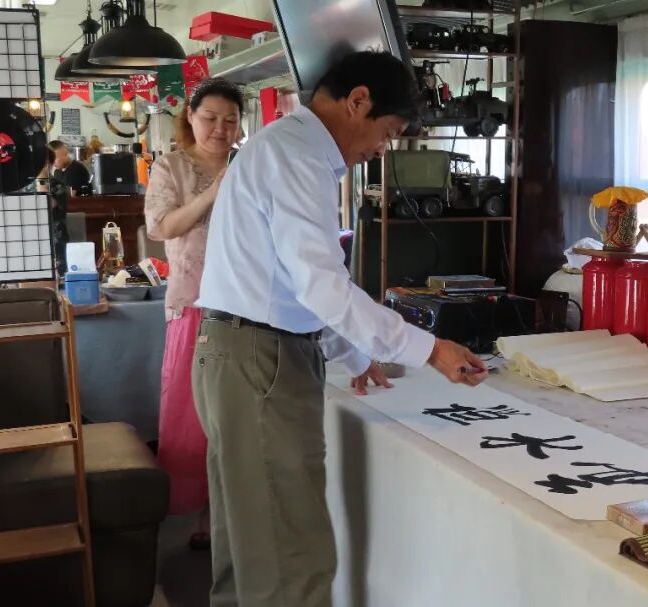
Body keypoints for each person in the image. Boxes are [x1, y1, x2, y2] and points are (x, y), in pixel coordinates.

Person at [193, 51, 488, 606]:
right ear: (357, 102)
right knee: (290, 560)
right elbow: (321, 287)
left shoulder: (284, 149)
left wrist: (355, 356)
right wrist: (429, 349)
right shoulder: (297, 156)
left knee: (251, 551)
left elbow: (289, 286)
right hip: (259, 362)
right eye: (388, 132)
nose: (381, 150)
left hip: (240, 351)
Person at [144, 77, 244, 551]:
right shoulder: (172, 167)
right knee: (191, 412)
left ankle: (225, 511)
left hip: (245, 304)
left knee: (235, 414)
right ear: (190, 116)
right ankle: (199, 511)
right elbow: (162, 227)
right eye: (210, 118)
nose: (220, 129)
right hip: (194, 303)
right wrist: (213, 193)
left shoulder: (250, 164)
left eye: (230, 120)